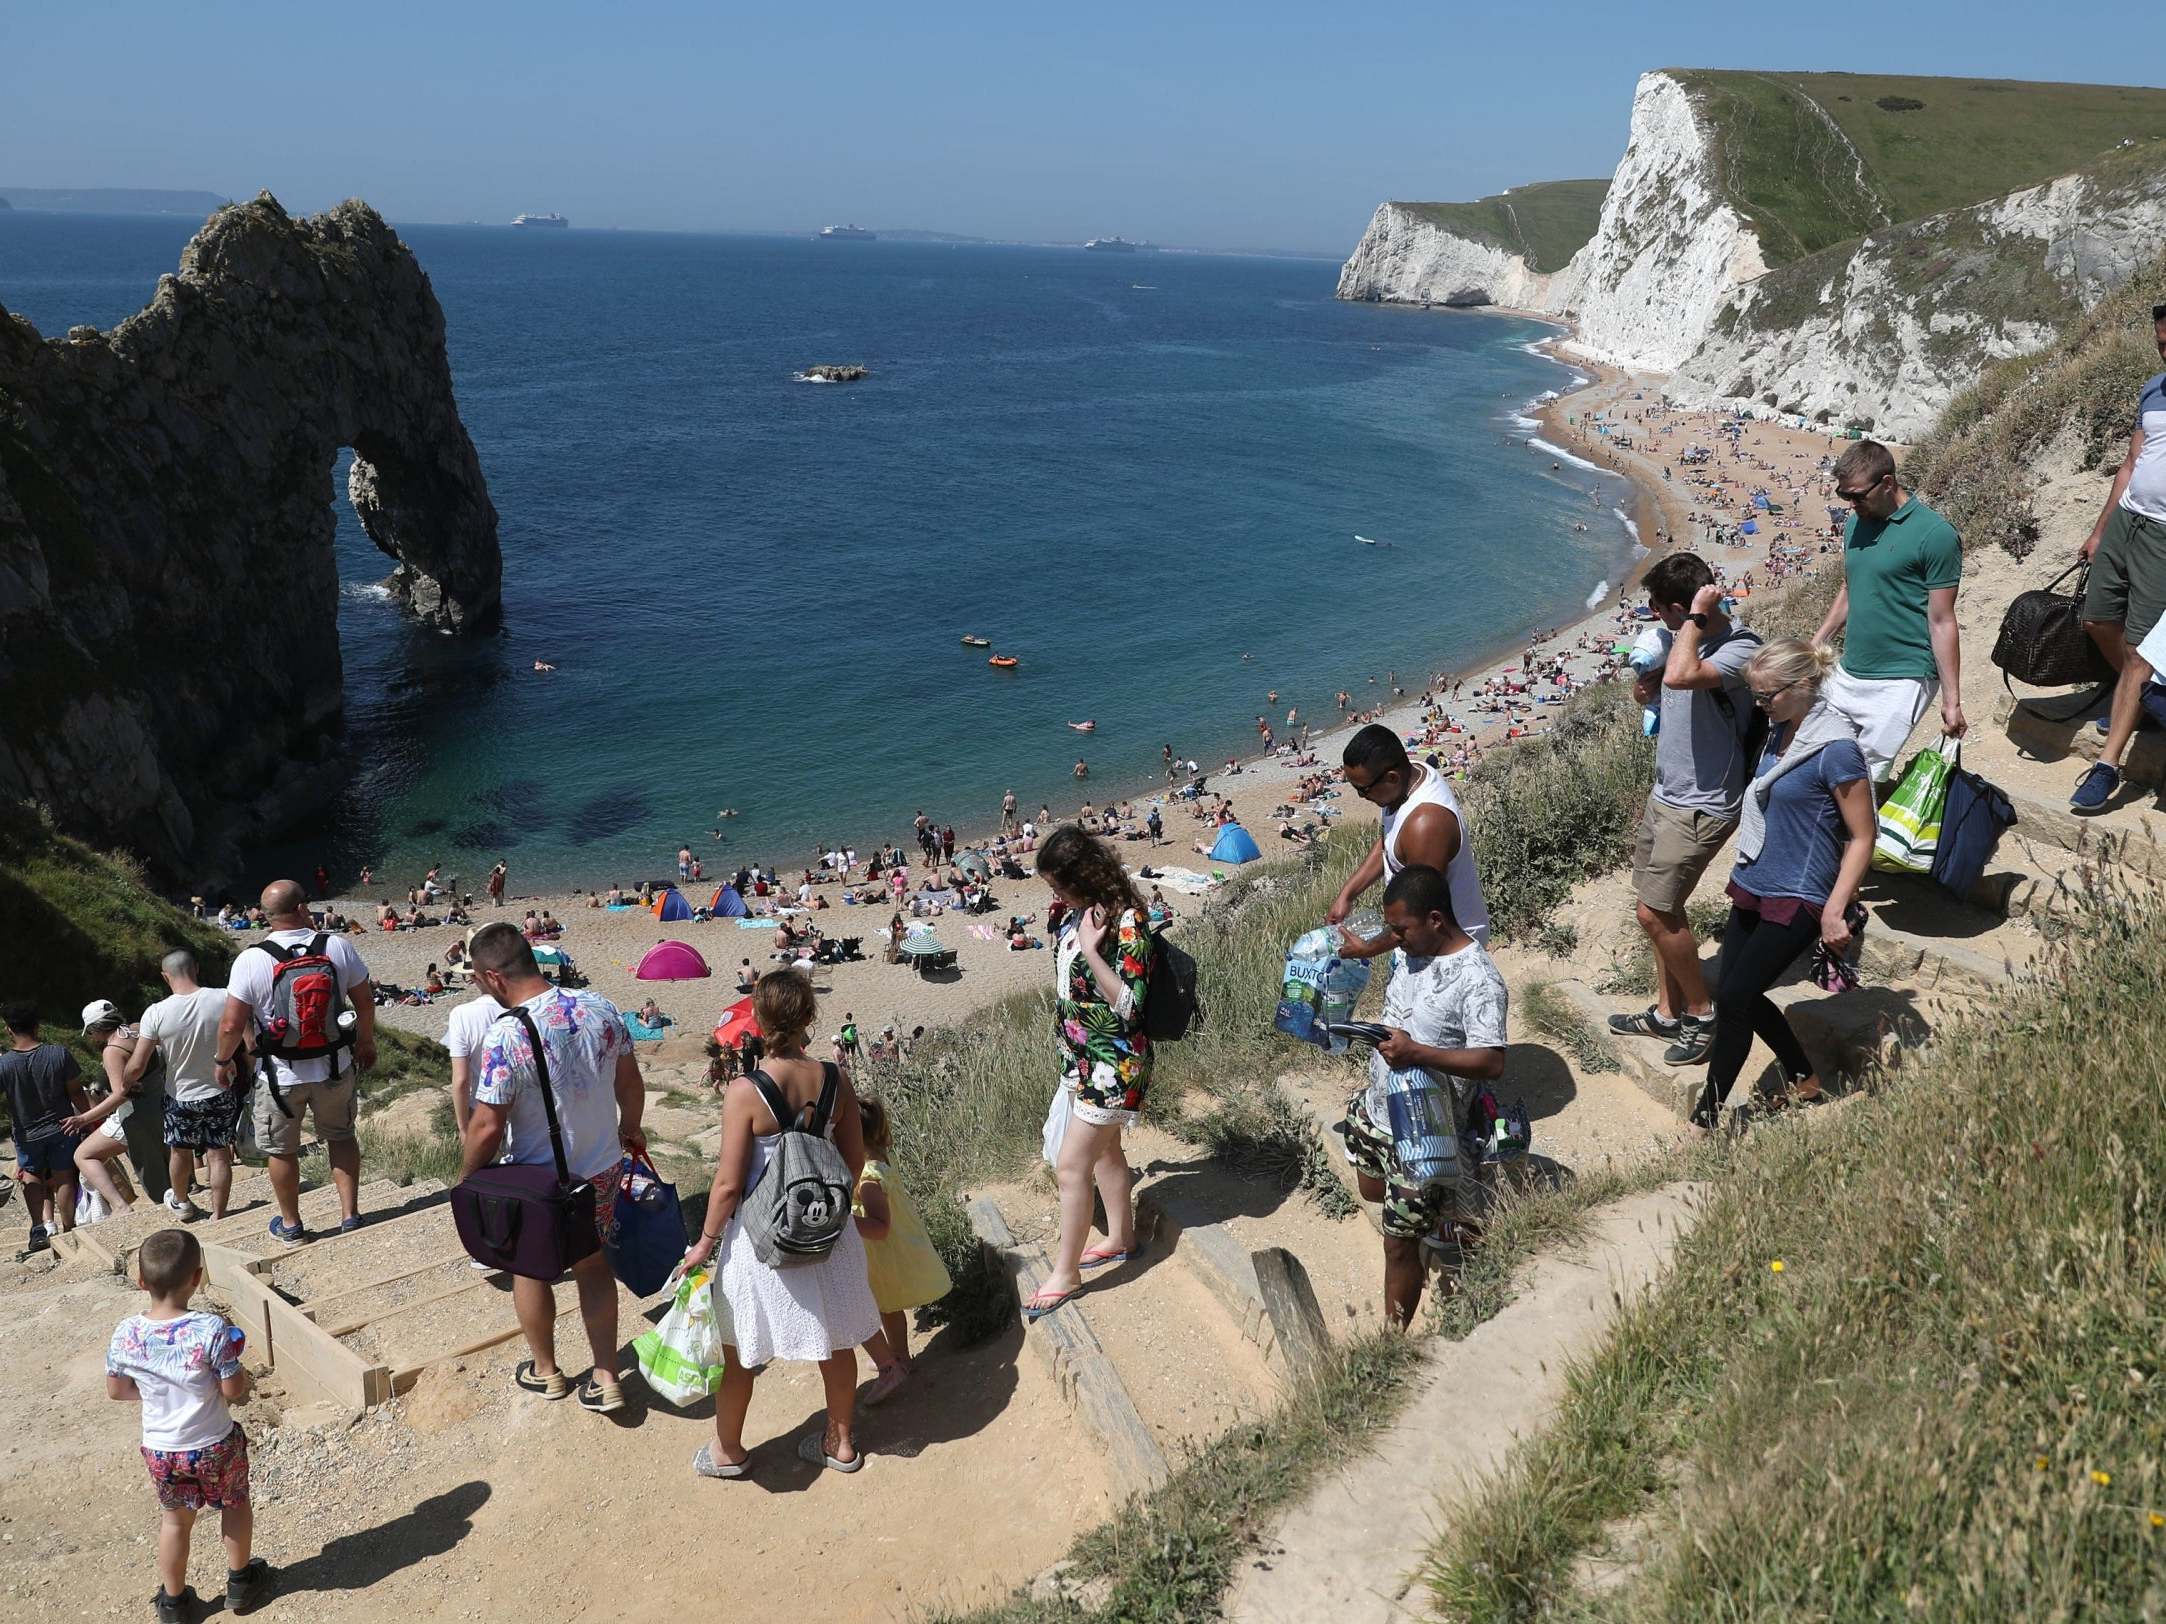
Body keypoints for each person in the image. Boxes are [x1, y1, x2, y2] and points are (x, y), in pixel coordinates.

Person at [676, 969, 882, 1478]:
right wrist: (822, 1206)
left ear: (759, 1018)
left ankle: (728, 1451)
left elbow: (726, 1185)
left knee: (740, 1345)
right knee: (836, 1342)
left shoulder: (746, 1091)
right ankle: (840, 1443)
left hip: (762, 1237)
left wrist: (704, 1243)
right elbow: (853, 1161)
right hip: (826, 1231)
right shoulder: (835, 1077)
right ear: (810, 1016)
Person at [459, 923, 647, 1411]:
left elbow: (486, 1126)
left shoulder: (506, 1034)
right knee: (593, 1265)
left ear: (494, 977)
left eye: (478, 981)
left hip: (537, 1180)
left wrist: (467, 1179)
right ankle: (606, 1375)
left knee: (531, 1270)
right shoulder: (600, 1006)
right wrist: (631, 1128)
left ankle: (547, 1372)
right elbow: (631, 1083)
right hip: (602, 1167)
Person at [1687, 642, 1874, 1130]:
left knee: (1735, 999)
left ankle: (1707, 1117)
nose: (1760, 704)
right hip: (1757, 881)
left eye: (1767, 694)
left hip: (1801, 893)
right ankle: (1803, 1077)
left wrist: (1836, 908)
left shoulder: (1836, 750)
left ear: (1803, 686)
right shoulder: (1781, 730)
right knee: (1736, 994)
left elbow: (1862, 835)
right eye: (1756, 694)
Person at [1606, 553, 1764, 1066]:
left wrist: (1693, 621)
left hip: (1704, 803)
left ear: (1681, 608)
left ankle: (1701, 1013)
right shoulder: (1680, 640)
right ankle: (1667, 1011)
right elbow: (1663, 690)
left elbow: (1682, 679)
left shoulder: (1741, 649)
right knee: (1656, 910)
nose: (1655, 619)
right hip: (1667, 795)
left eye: (1659, 609)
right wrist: (1642, 691)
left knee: (1655, 912)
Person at [1343, 864, 1508, 1327]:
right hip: (1377, 1111)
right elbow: (1394, 950)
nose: (1394, 938)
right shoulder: (1412, 947)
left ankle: (1392, 1344)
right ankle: (1439, 1220)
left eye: (1401, 929)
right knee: (1370, 1189)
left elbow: (1493, 1062)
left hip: (1425, 1134)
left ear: (1436, 919)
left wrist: (1416, 1052)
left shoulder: (1478, 979)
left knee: (1396, 1245)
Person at [1022, 826, 1154, 1321]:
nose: (1055, 896)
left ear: (1084, 876)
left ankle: (1066, 1275)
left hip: (1113, 1065)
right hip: (1082, 1061)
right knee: (1106, 1154)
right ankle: (1120, 1236)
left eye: (1060, 886)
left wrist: (1092, 951)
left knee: (1071, 1167)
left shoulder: (1127, 924)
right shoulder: (1081, 913)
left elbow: (1130, 1005)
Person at [106, 1228, 272, 1621]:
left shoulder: (126, 1333)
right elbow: (233, 1388)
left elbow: (116, 1390)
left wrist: (159, 1395)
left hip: (162, 1449)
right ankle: (240, 1582)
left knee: (175, 1521)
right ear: (197, 1278)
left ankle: (174, 1603)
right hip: (214, 1442)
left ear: (142, 1281)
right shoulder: (211, 1329)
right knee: (234, 1504)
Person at [217, 881, 376, 1243]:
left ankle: (291, 1225)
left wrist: (222, 1060)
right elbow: (365, 1002)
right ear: (303, 907)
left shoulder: (252, 959)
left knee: (282, 1150)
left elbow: (231, 1023)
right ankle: (350, 1215)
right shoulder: (337, 946)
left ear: (264, 916)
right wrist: (365, 1043)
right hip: (334, 1064)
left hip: (278, 1074)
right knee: (340, 1135)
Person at [1810, 438, 1966, 781]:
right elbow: (1851, 588)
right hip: (1850, 669)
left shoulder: (1935, 535)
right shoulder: (1856, 523)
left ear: (1888, 483)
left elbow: (1941, 620)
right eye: (1844, 496)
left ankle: (1860, 834)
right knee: (1820, 761)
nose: (1851, 505)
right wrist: (1817, 642)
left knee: (1861, 777)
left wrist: (1952, 700)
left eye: (1856, 496)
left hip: (1904, 676)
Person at [2074, 307, 2166, 811]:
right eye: (2161, 344)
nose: (2165, 353)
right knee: (2096, 619)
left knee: (2139, 651)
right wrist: (2099, 528)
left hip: (2165, 536)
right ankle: (2139, 701)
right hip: (2128, 521)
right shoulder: (2154, 388)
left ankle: (2106, 766)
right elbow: (2132, 462)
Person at [1328, 724, 1490, 959]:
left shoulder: (1426, 825)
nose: (1361, 797)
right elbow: (1390, 843)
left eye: (1363, 790)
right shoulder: (1407, 780)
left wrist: (1368, 949)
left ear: (1391, 777)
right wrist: (1348, 894)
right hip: (1415, 940)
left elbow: (1419, 911)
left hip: (1447, 950)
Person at [849, 1095, 951, 1401]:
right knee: (889, 1307)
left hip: (885, 1254)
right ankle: (897, 1354)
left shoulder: (868, 1179)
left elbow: (880, 1227)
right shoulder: (880, 1159)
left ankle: (900, 1360)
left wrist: (844, 1221)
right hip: (891, 1251)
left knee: (888, 1308)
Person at [130, 952, 240, 1223]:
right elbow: (239, 1033)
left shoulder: (155, 1012)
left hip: (180, 1095)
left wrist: (124, 1082)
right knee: (219, 1153)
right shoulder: (223, 997)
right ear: (196, 968)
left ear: (165, 976)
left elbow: (138, 1064)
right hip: (220, 1088)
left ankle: (182, 1203)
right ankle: (219, 1213)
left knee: (180, 1151)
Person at [2, 1001, 88, 1249]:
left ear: (9, 1029)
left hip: (27, 1133)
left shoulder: (4, 1064)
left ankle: (38, 1229)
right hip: (63, 1127)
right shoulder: (58, 1054)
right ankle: (70, 1227)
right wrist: (91, 1118)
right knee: (64, 1177)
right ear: (37, 1026)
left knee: (31, 1176)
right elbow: (76, 1094)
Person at [67, 1001, 152, 1214]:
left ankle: (119, 1205)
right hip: (155, 1104)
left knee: (83, 1155)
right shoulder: (135, 1032)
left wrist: (83, 1119)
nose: (91, 1038)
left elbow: (120, 1096)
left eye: (91, 1032)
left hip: (132, 1114)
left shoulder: (112, 1050)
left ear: (97, 1028)